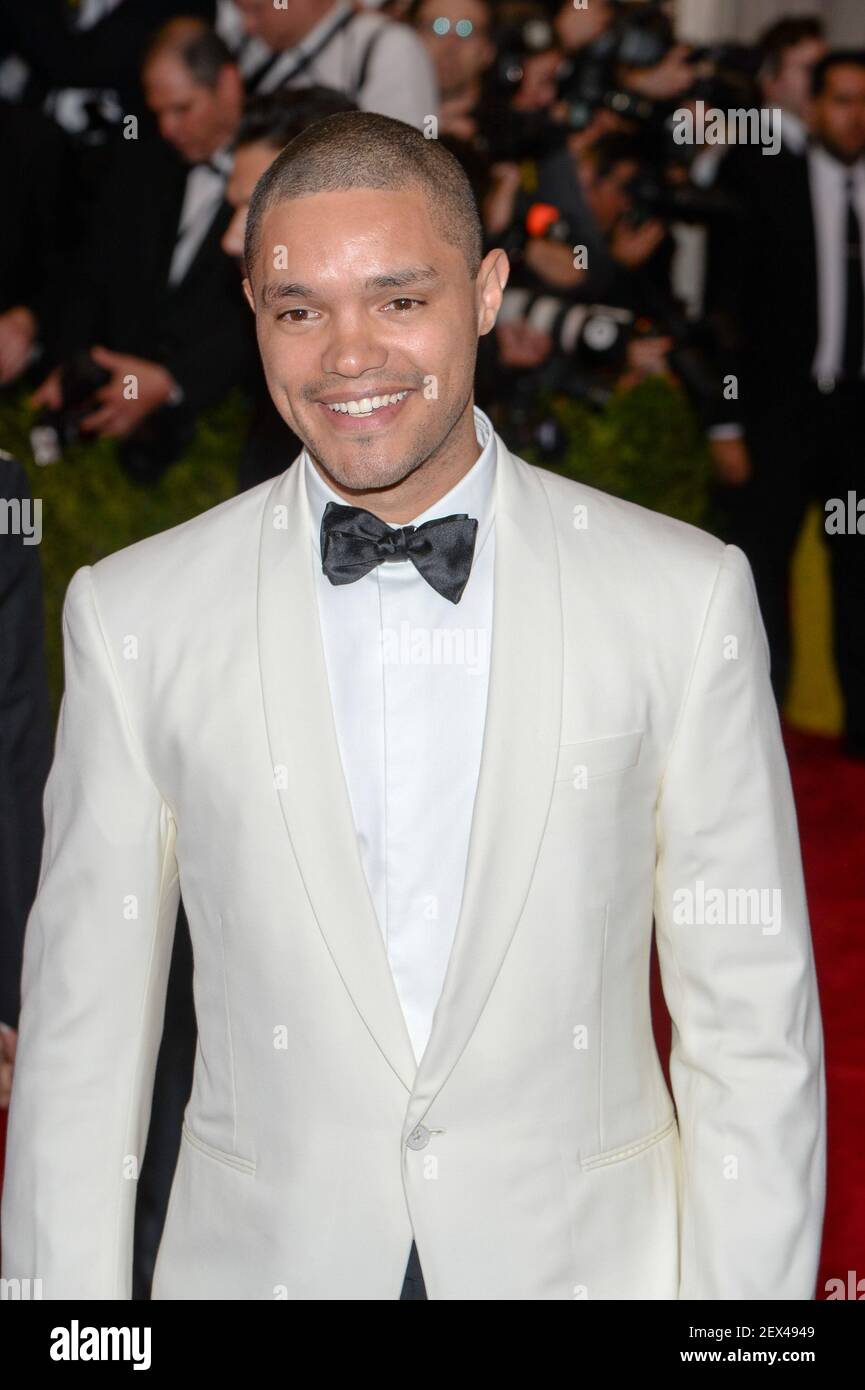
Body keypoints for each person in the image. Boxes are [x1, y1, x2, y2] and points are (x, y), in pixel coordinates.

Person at [1, 111, 825, 1301]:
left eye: (398, 300)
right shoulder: (136, 618)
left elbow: (752, 1026)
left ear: (488, 293)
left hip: (589, 1269)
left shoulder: (679, 597)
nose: (348, 356)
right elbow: (81, 1046)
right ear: (254, 314)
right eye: (299, 310)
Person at [707, 50, 865, 759]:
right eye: (839, 99)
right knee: (758, 574)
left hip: (858, 422)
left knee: (858, 573)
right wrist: (725, 420)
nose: (853, 116)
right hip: (775, 416)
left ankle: (858, 726)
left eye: (864, 101)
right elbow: (722, 311)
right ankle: (759, 739)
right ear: (811, 103)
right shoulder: (763, 180)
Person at [31, 18, 254, 484]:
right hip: (113, 425)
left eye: (182, 109)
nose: (168, 128)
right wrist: (71, 362)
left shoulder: (277, 167)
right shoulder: (141, 160)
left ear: (228, 85)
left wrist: (173, 384)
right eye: (158, 113)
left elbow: (269, 312)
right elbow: (92, 270)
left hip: (224, 437)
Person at [230, 0, 438, 128]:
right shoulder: (256, 50)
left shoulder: (388, 46)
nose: (248, 25)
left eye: (256, 9)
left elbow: (407, 154)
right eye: (241, 10)